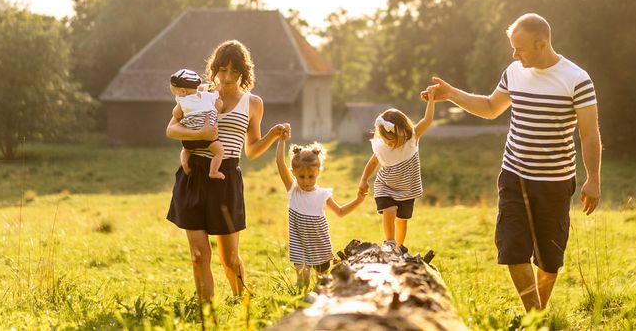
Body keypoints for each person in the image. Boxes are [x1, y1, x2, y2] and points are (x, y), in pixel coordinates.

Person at [423, 13, 601, 312]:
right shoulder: (515, 71)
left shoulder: (577, 79)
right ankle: (534, 317)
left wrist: (593, 178)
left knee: (549, 258)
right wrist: (452, 94)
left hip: (555, 183)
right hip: (514, 175)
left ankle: (537, 315)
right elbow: (492, 107)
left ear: (542, 43)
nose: (514, 54)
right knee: (512, 248)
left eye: (520, 48)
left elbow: (589, 133)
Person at [165, 39, 289, 302]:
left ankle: (242, 302)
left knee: (230, 259)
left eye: (235, 71)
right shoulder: (199, 94)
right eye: (222, 70)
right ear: (214, 69)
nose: (228, 77)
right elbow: (172, 128)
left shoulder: (253, 103)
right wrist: (195, 135)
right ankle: (206, 314)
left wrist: (273, 134)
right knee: (199, 256)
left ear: (244, 72)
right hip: (193, 176)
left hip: (226, 177)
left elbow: (252, 149)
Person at [274, 133, 367, 286]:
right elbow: (280, 163)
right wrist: (282, 140)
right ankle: (300, 304)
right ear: (294, 173)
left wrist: (358, 200)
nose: (306, 181)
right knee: (302, 281)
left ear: (318, 172)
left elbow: (340, 212)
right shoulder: (293, 190)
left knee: (321, 282)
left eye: (311, 176)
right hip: (300, 245)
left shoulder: (323, 195)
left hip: (320, 246)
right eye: (301, 177)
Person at [357, 94, 436, 252]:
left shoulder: (412, 139)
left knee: (402, 220)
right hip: (385, 186)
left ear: (404, 131)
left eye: (393, 140)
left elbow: (427, 120)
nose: (390, 144)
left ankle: (398, 248)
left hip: (407, 190)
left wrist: (432, 100)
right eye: (387, 140)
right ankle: (390, 242)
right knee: (389, 210)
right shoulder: (382, 147)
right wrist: (364, 179)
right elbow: (373, 163)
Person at [169, 68, 226, 180]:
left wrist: (179, 108)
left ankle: (184, 163)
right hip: (209, 138)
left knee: (186, 150)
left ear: (183, 91)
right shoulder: (207, 96)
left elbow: (176, 114)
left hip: (190, 139)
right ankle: (213, 171)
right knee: (219, 152)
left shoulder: (182, 101)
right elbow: (219, 103)